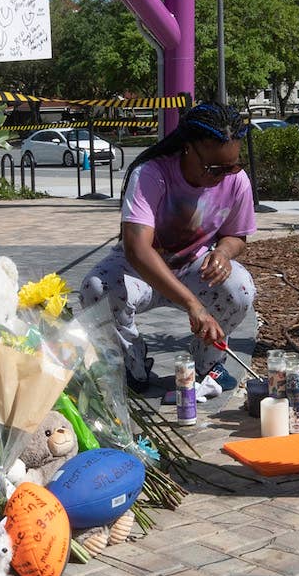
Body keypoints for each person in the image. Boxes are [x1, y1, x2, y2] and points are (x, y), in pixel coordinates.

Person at [79, 103, 256, 398]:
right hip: (139, 269)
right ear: (188, 148)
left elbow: (236, 235)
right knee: (96, 289)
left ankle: (209, 363)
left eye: (232, 166)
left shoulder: (235, 181)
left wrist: (223, 253)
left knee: (240, 288)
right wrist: (192, 305)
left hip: (192, 267)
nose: (223, 176)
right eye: (214, 168)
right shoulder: (151, 173)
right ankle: (131, 363)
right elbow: (137, 249)